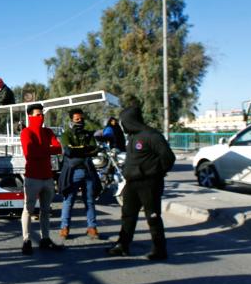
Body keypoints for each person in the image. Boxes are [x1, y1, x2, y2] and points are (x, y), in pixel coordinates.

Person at [107, 106, 176, 260]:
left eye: (123, 122)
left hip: (149, 183)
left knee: (152, 216)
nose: (122, 125)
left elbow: (168, 158)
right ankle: (122, 245)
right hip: (131, 183)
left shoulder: (152, 136)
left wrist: (155, 173)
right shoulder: (131, 137)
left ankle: (159, 249)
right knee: (128, 215)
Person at [18, 103, 63, 254]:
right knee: (28, 210)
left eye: (42, 114)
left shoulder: (48, 131)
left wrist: (41, 150)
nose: (41, 117)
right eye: (38, 115)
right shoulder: (26, 132)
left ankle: (45, 238)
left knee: (45, 211)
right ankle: (26, 240)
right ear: (30, 116)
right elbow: (29, 153)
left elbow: (59, 148)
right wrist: (48, 150)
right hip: (32, 177)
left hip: (47, 177)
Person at [58, 108, 101, 240]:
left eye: (81, 119)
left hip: (88, 170)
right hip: (73, 172)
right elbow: (68, 151)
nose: (80, 121)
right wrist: (85, 150)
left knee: (90, 201)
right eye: (77, 119)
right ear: (71, 120)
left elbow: (95, 150)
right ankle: (64, 227)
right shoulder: (66, 135)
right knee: (69, 200)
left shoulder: (89, 134)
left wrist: (79, 150)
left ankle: (92, 227)